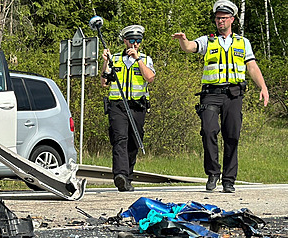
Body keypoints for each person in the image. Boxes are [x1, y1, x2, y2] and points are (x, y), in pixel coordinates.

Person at [172, 0, 269, 193]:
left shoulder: (243, 42)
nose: (220, 22)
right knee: (208, 131)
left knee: (232, 136)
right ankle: (213, 173)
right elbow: (190, 47)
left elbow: (252, 66)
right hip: (211, 94)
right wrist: (183, 39)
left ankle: (229, 180)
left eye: (224, 18)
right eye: (217, 19)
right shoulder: (208, 40)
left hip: (233, 95)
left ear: (232, 19)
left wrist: (263, 87)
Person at [101, 25, 155, 192]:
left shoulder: (145, 59)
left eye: (138, 41)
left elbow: (150, 78)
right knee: (120, 139)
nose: (135, 44)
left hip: (137, 106)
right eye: (132, 40)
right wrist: (105, 62)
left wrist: (137, 59)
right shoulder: (115, 58)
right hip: (118, 106)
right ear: (125, 41)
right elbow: (104, 82)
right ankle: (120, 175)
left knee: (133, 141)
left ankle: (128, 176)